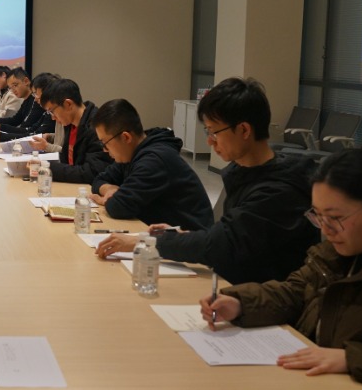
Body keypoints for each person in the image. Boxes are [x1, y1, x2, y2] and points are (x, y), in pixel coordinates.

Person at [201, 140, 362, 390]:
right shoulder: (337, 250)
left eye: (335, 217)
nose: (326, 229)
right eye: (318, 216)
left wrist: (352, 359)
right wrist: (240, 304)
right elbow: (296, 292)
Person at [95, 77, 319, 285]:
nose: (210, 142)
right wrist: (183, 236)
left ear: (243, 130)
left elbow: (220, 245)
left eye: (214, 132)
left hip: (258, 297)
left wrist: (143, 241)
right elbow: (228, 235)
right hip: (231, 286)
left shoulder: (278, 190)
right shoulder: (243, 172)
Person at [89, 98, 213, 230]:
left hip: (189, 238)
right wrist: (109, 189)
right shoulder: (130, 153)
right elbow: (98, 180)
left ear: (126, 137)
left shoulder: (154, 160)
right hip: (159, 232)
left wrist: (108, 200)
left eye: (105, 143)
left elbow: (118, 206)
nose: (104, 149)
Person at [39, 78, 113, 183]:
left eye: (51, 111)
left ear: (68, 104)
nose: (52, 117)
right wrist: (41, 162)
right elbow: (66, 160)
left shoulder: (96, 127)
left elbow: (91, 172)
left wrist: (47, 168)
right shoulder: (70, 124)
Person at [0, 70, 54, 143]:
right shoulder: (45, 111)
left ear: (26, 81)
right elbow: (23, 125)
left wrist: (3, 135)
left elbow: (32, 132)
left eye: (15, 85)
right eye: (10, 88)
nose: (13, 90)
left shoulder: (40, 105)